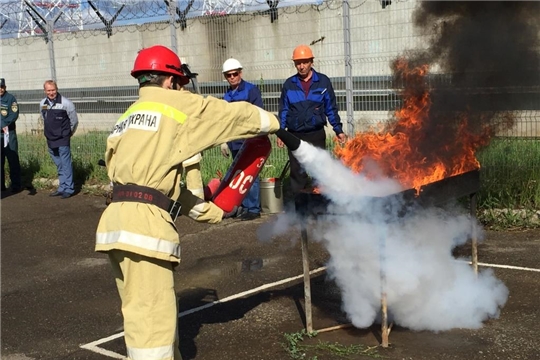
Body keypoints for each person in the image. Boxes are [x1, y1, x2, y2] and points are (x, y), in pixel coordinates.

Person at [95, 45, 281, 360]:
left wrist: (210, 211)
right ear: (169, 80)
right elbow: (231, 115)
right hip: (145, 232)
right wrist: (274, 123)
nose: (181, 87)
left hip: (117, 227)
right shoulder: (174, 104)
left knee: (148, 321)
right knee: (152, 337)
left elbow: (159, 189)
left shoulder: (128, 117)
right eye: (178, 82)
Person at [277, 45, 347, 194]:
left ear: (311, 62)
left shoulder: (323, 82)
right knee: (297, 172)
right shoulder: (289, 85)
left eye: (305, 62)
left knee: (320, 171)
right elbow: (283, 110)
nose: (301, 66)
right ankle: (299, 208)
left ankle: (320, 205)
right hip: (295, 135)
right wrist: (281, 133)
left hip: (316, 134)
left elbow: (331, 108)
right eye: (298, 63)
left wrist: (338, 130)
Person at [220, 58, 264, 221]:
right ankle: (244, 206)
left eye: (235, 74)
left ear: (240, 73)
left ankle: (253, 208)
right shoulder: (227, 95)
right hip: (234, 140)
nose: (232, 77)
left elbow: (259, 113)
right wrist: (224, 140)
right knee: (239, 175)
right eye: (228, 75)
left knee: (250, 173)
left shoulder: (251, 91)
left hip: (249, 139)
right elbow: (224, 119)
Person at [40, 80, 78, 199]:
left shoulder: (66, 103)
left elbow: (74, 121)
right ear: (45, 91)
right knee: (59, 164)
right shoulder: (43, 103)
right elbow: (43, 118)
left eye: (53, 90)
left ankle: (69, 189)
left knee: (66, 164)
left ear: (57, 89)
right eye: (49, 90)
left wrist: (68, 133)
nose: (51, 93)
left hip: (62, 138)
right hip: (50, 138)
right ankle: (62, 187)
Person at [1, 78, 22, 193]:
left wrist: (3, 125)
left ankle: (16, 185)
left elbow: (14, 115)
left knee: (12, 159)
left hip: (8, 133)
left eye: (2, 87)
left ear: (5, 87)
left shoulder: (11, 99)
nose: (0, 89)